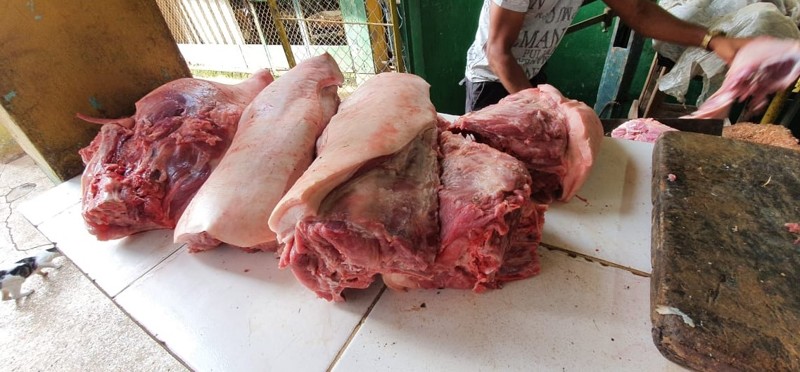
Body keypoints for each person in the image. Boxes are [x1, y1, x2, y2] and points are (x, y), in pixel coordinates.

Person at [464, 0, 751, 112]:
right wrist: (544, 113)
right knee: (491, 172)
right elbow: (498, 53)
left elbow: (639, 12)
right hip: (491, 78)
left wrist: (710, 40)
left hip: (531, 70)